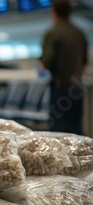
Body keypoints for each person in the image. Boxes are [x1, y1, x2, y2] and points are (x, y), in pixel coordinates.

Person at [40, 0, 88, 135]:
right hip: (77, 88)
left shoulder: (53, 33)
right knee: (76, 132)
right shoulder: (80, 34)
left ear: (53, 12)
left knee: (58, 133)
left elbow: (46, 63)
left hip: (60, 89)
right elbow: (84, 61)